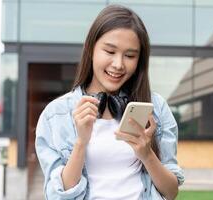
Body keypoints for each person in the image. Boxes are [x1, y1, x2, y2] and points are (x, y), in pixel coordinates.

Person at [35, 5, 184, 200]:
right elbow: (58, 196)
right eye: (110, 51)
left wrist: (147, 155)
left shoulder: (155, 107)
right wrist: (81, 142)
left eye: (130, 56)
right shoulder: (56, 114)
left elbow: (171, 192)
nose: (118, 64)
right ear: (91, 49)